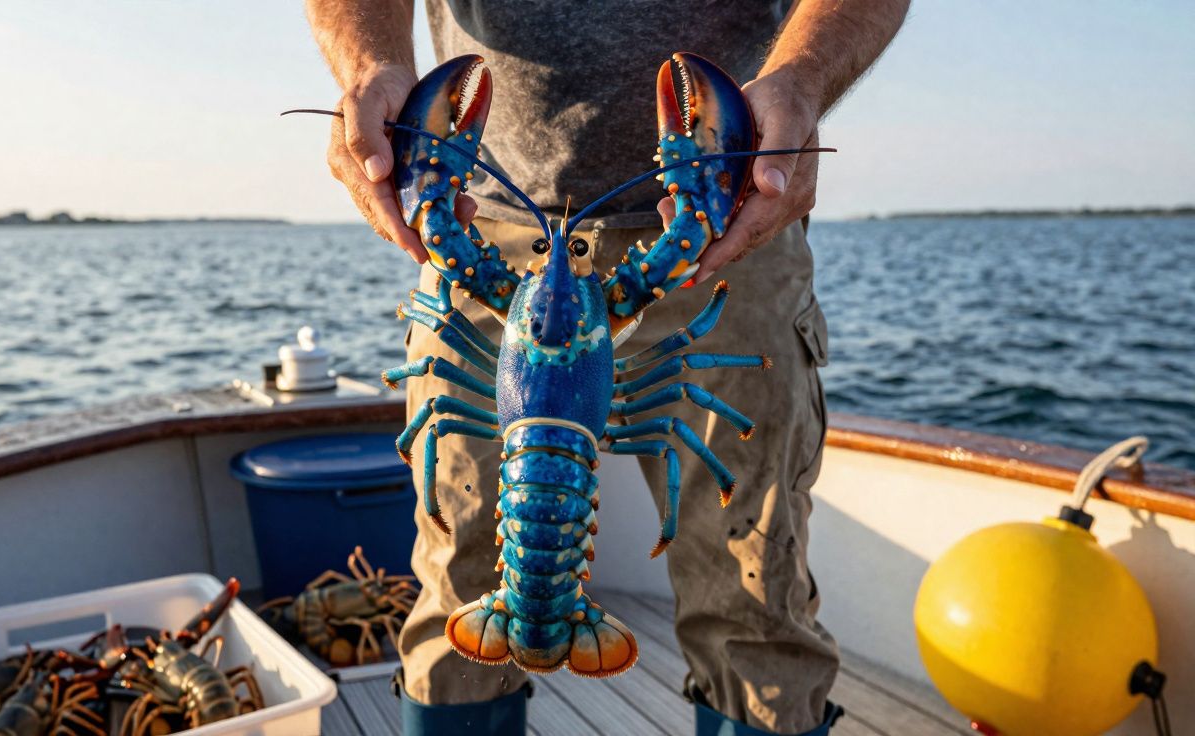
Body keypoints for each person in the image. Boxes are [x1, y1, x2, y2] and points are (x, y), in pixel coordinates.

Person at [307, 1, 909, 734]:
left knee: (753, 582)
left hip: (736, 210)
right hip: (480, 213)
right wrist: (370, 63)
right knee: (454, 571)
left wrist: (802, 77)